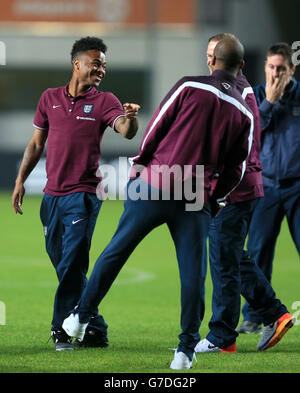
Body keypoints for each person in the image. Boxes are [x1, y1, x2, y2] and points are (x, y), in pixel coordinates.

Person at [62, 37, 254, 370]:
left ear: (212, 61)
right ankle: (184, 351)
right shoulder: (244, 113)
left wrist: (139, 166)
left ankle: (79, 317)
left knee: (115, 252)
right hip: (195, 195)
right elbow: (237, 169)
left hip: (154, 182)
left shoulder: (189, 86)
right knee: (193, 274)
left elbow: (156, 128)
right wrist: (214, 197)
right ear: (241, 67)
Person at [11, 36, 141, 351]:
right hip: (50, 197)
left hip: (83, 195)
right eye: (96, 63)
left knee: (72, 264)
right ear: (77, 64)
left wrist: (132, 119)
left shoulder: (105, 100)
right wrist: (20, 182)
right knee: (62, 263)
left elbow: (124, 130)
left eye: (104, 66)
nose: (101, 70)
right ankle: (94, 327)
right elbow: (36, 144)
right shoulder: (49, 98)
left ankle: (63, 331)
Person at [195, 34, 295, 354]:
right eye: (211, 53)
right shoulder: (249, 93)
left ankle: (226, 336)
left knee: (225, 259)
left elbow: (229, 140)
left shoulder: (237, 94)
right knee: (238, 256)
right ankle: (268, 314)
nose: (211, 60)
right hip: (254, 186)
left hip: (240, 189)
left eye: (216, 55)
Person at [239, 42, 300, 332]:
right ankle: (254, 315)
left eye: (282, 69)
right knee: (258, 251)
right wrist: (270, 104)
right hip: (265, 187)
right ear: (265, 67)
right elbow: (247, 134)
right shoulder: (255, 97)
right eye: (271, 67)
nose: (276, 73)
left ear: (292, 70)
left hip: (298, 187)